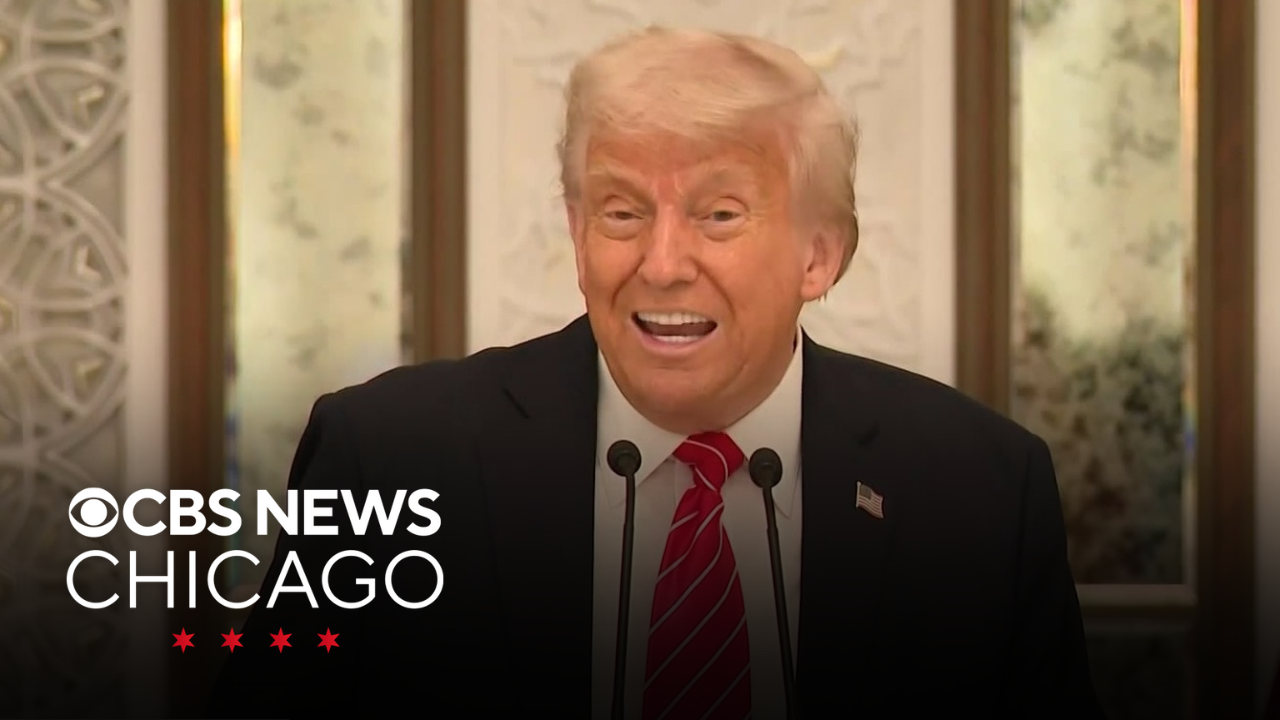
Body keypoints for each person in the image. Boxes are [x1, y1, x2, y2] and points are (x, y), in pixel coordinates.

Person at [210, 27, 1103, 719]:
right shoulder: (391, 459)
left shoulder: (981, 493)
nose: (663, 263)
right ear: (577, 233)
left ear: (819, 255)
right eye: (622, 211)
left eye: (719, 214)